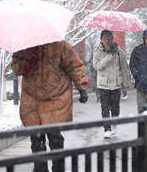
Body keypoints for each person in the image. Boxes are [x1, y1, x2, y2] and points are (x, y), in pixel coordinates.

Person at [12, 41, 89, 172]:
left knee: (55, 139)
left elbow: (74, 65)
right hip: (32, 101)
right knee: (36, 141)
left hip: (54, 99)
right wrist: (28, 58)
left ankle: (58, 169)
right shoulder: (25, 46)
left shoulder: (60, 45)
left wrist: (82, 87)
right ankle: (40, 169)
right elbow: (16, 68)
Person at [92, 30, 130, 139]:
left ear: (112, 39)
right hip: (103, 85)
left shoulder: (118, 51)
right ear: (101, 39)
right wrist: (108, 57)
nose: (107, 41)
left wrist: (125, 83)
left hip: (116, 84)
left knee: (115, 107)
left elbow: (124, 67)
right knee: (104, 108)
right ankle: (107, 129)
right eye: (105, 38)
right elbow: (97, 66)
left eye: (109, 38)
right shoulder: (97, 51)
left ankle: (114, 123)